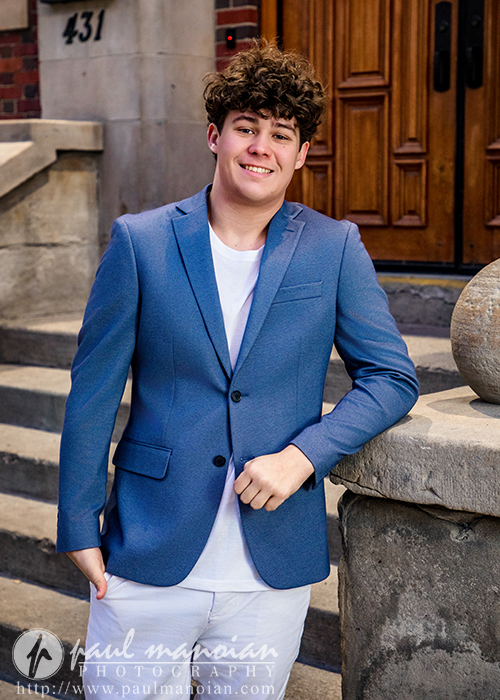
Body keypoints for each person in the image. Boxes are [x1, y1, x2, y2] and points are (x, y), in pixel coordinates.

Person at [57, 41, 419, 699]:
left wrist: (303, 456)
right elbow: (94, 389)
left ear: (303, 153)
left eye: (281, 134)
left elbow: (392, 378)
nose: (261, 147)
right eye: (247, 128)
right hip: (148, 549)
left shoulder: (334, 247)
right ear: (215, 136)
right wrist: (78, 524)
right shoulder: (142, 243)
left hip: (269, 562)